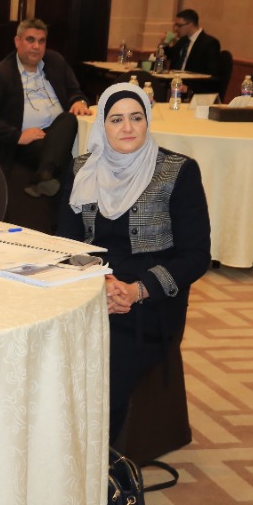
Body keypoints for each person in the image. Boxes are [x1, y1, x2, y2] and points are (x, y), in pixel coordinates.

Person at [59, 83, 211, 442]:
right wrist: (100, 283)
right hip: (91, 286)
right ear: (102, 126)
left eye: (136, 118)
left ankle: (101, 463)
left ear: (147, 121)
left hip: (150, 301)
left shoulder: (178, 171)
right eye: (116, 119)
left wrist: (137, 290)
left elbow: (196, 256)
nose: (127, 128)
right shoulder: (82, 169)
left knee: (105, 364)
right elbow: (65, 243)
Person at [0, 17, 89, 198]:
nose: (36, 46)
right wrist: (17, 136)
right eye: (30, 40)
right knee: (71, 156)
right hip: (25, 142)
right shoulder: (0, 74)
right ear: (17, 41)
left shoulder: (55, 62)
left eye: (41, 41)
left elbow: (74, 91)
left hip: (59, 133)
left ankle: (44, 175)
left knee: (68, 120)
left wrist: (78, 101)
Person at [160, 8, 222, 94]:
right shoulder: (183, 40)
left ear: (190, 24)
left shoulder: (209, 43)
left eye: (179, 25)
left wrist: (189, 88)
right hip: (175, 83)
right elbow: (169, 55)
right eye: (175, 25)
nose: (175, 29)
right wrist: (165, 43)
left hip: (192, 88)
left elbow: (211, 75)